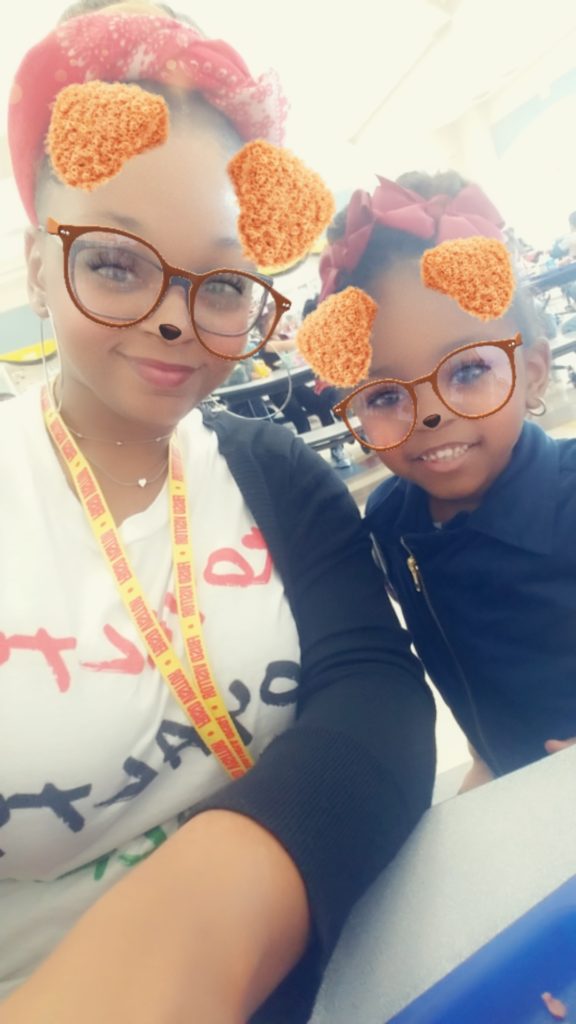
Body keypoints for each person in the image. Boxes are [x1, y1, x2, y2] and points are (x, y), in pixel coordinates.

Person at [0, 7, 436, 1024]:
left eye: (224, 281)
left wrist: (195, 935)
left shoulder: (271, 469)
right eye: (116, 263)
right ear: (36, 265)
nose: (172, 318)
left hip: (333, 976)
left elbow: (375, 695)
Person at [316, 169, 576, 791]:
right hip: (509, 785)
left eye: (467, 371)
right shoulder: (390, 520)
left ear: (533, 371)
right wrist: (485, 760)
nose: (430, 414)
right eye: (385, 395)